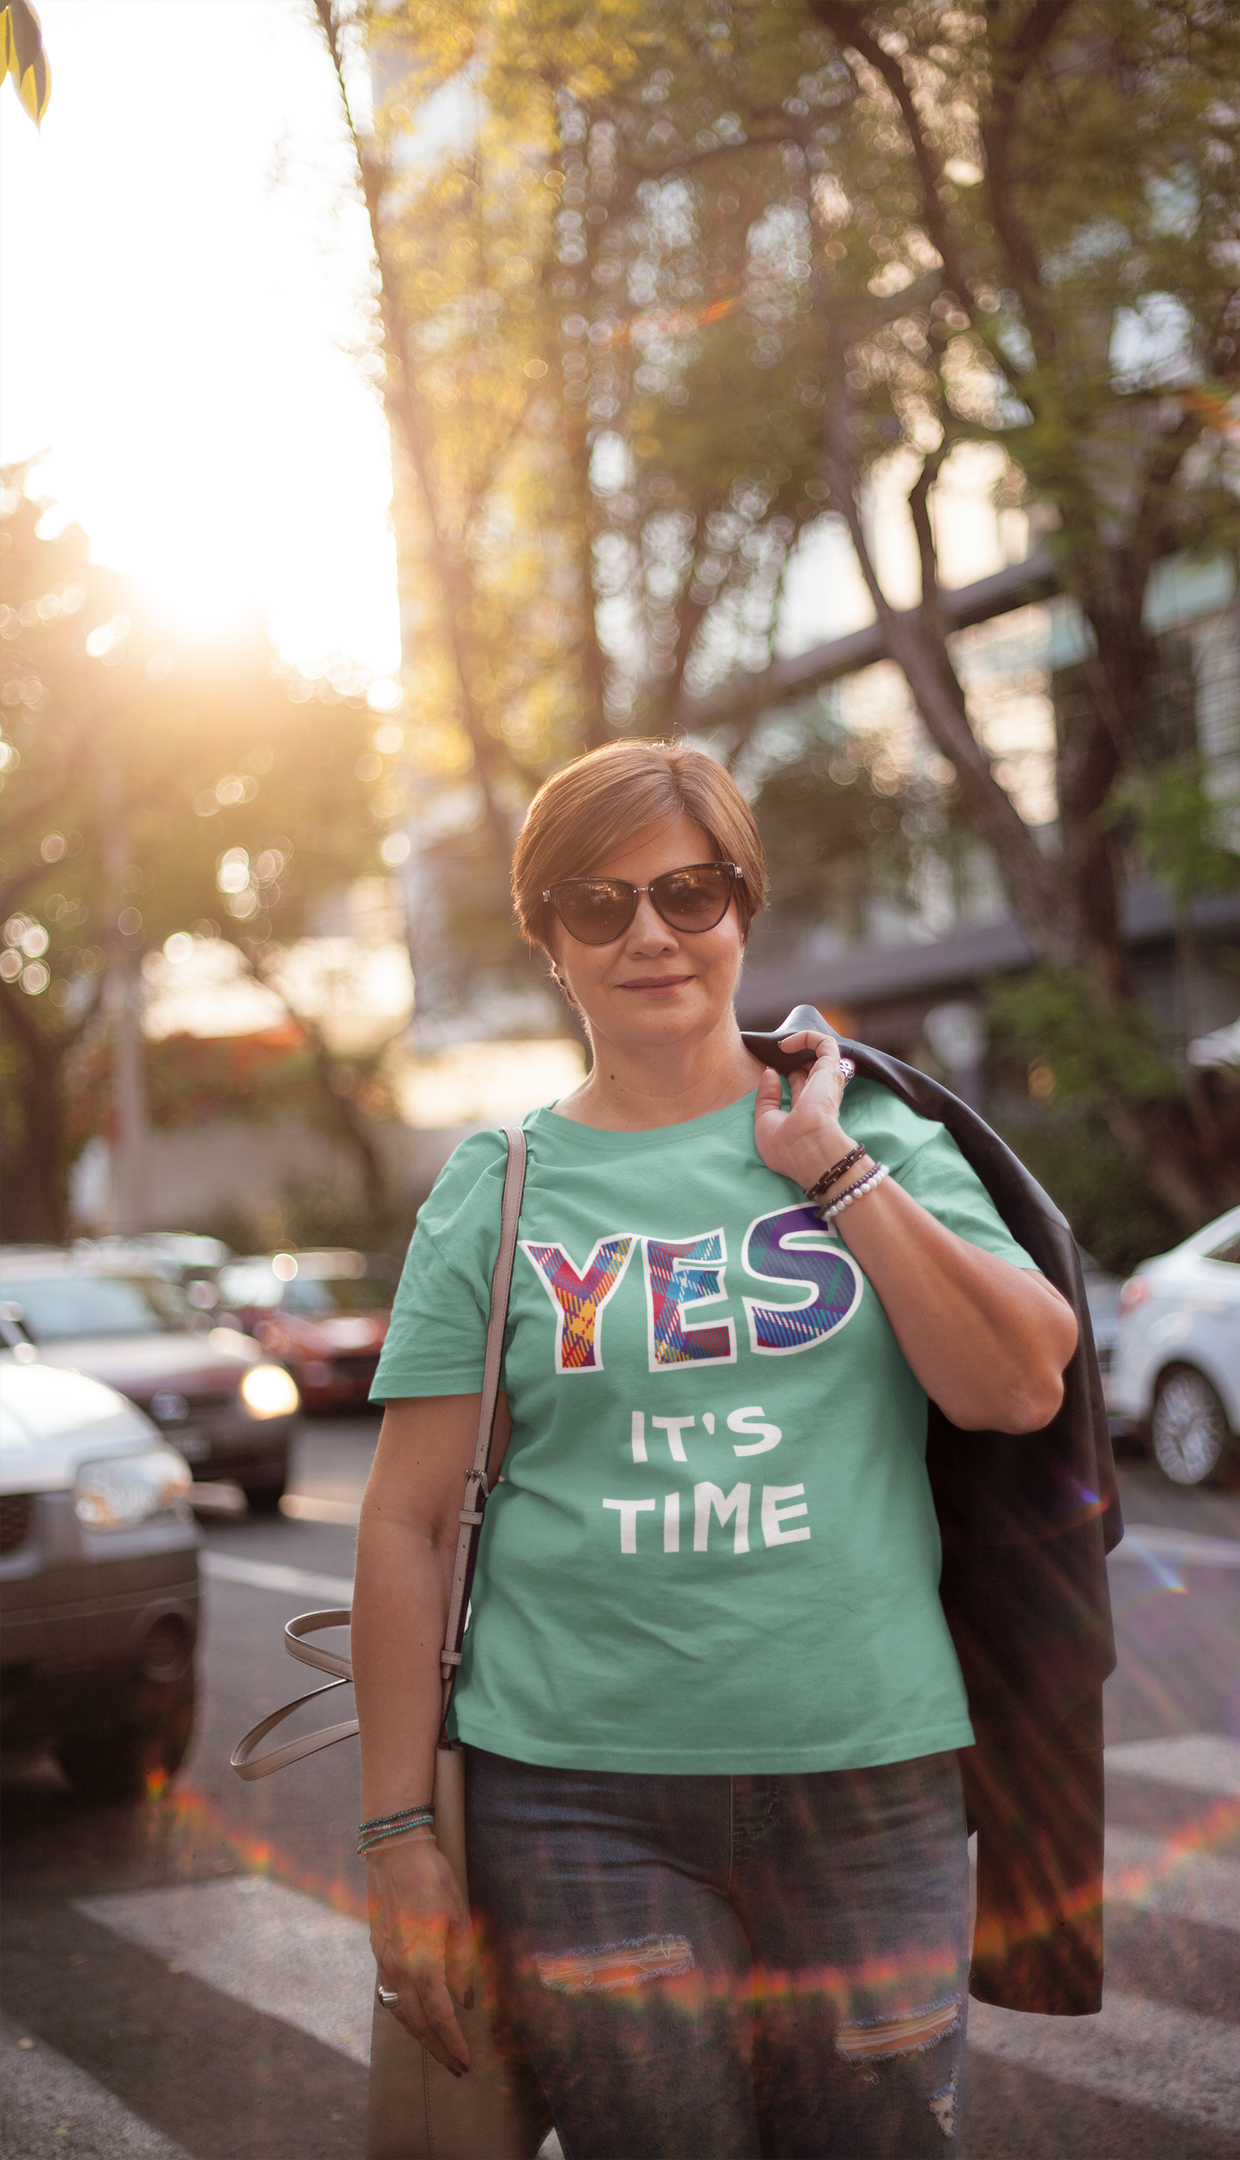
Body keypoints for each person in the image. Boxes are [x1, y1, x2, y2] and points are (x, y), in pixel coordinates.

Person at [354, 739, 1078, 2160]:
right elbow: (406, 1523)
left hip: (866, 1778)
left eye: (689, 891)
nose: (649, 935)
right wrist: (397, 1838)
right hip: (574, 1799)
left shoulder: (870, 1129)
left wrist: (831, 1170)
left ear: (744, 905)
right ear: (546, 937)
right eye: (596, 902)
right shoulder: (497, 1189)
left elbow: (1017, 1383)